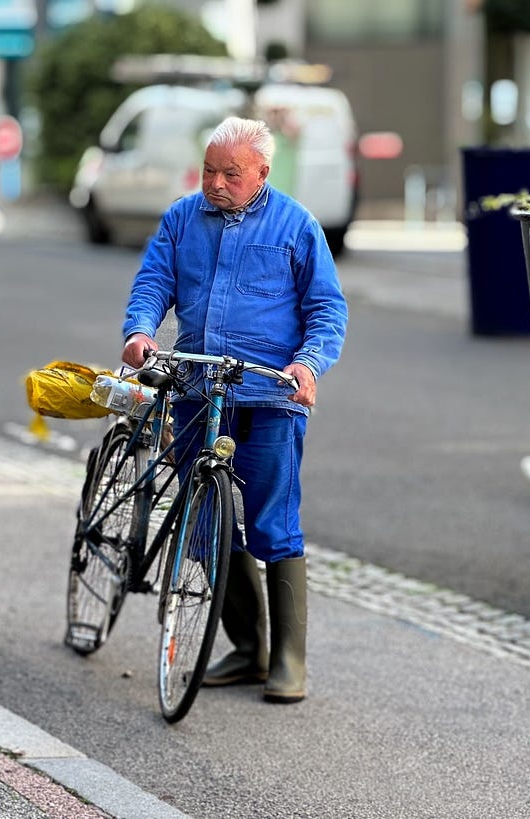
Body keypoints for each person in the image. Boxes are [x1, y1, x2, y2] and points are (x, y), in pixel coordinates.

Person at [120, 116, 347, 704]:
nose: (216, 183)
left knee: (274, 523)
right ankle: (249, 650)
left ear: (262, 173)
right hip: (198, 392)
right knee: (204, 525)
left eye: (231, 173)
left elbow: (327, 309)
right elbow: (152, 283)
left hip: (271, 395)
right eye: (209, 170)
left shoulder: (297, 225)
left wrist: (308, 364)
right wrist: (141, 330)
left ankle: (288, 661)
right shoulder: (181, 218)